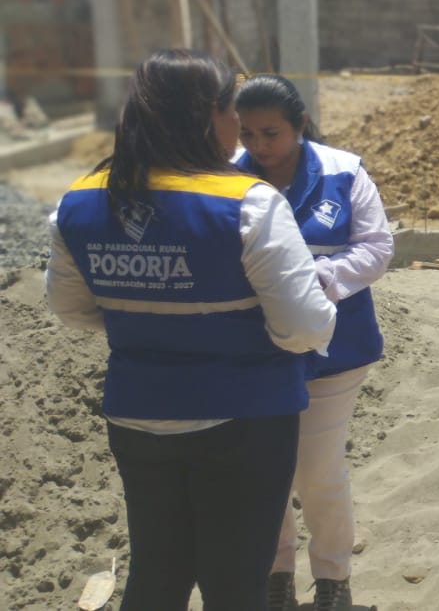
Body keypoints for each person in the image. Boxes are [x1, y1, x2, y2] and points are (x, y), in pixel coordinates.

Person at [46, 49, 337, 610]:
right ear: (210, 116)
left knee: (157, 574)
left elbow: (72, 310)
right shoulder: (247, 203)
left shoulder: (79, 200)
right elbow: (301, 328)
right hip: (244, 419)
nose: (239, 123)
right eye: (232, 110)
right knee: (237, 586)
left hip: (137, 415)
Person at [232, 75, 394, 611]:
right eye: (248, 133)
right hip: (253, 351)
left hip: (334, 351)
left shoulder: (343, 172)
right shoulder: (227, 176)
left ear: (300, 124)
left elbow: (376, 247)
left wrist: (318, 279)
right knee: (264, 471)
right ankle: (276, 575)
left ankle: (332, 580)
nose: (259, 146)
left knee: (318, 471)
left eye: (271, 133)